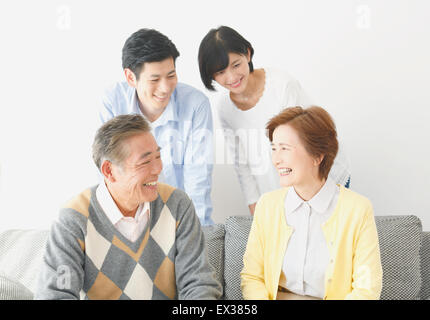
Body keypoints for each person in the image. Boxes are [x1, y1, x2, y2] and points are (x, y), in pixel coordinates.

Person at [35, 114, 222, 300]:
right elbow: (55, 296)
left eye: (158, 156)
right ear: (109, 170)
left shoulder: (177, 204)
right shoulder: (73, 220)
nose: (158, 168)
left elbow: (199, 283)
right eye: (146, 161)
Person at [198, 26, 350, 215]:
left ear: (247, 54)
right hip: (280, 190)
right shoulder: (224, 107)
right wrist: (255, 204)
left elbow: (303, 149)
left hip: (322, 176)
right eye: (220, 72)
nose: (231, 77)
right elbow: (241, 162)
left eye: (236, 65)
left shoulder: (282, 86)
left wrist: (299, 203)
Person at [240, 106, 382, 300]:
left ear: (317, 156)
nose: (276, 159)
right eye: (274, 148)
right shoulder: (267, 205)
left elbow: (366, 290)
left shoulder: (357, 210)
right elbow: (252, 277)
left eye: (284, 149)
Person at [100, 28, 214, 225]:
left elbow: (198, 180)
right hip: (128, 217)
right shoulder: (112, 102)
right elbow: (112, 173)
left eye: (171, 75)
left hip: (179, 218)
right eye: (154, 79)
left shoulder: (196, 105)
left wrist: (195, 233)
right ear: (130, 77)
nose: (165, 87)